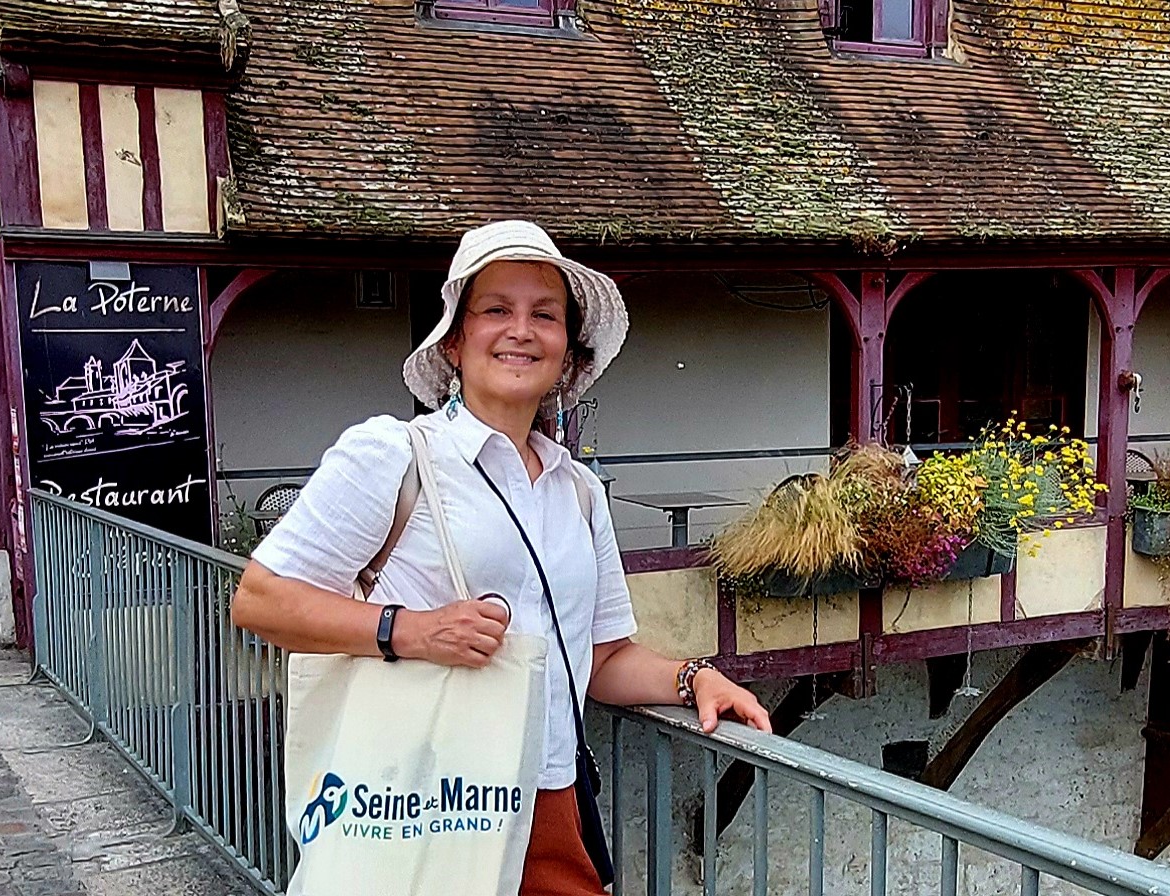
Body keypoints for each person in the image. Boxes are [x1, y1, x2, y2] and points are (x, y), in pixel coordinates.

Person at [230, 220, 770, 896]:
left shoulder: (575, 491)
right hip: (422, 796)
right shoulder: (392, 455)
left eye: (544, 315)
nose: (521, 329)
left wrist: (694, 678)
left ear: (567, 351)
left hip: (550, 800)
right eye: (495, 310)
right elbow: (259, 600)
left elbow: (599, 660)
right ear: (455, 342)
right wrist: (413, 631)